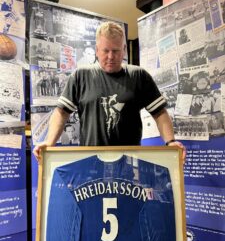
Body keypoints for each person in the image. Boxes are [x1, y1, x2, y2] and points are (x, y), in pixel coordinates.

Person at [33, 21, 186, 162]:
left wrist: (171, 141)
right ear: (97, 50)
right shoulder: (81, 76)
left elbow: (159, 112)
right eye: (105, 51)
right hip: (90, 163)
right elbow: (62, 112)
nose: (111, 57)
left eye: (116, 50)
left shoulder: (139, 76)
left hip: (127, 162)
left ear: (124, 50)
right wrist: (49, 142)